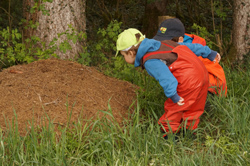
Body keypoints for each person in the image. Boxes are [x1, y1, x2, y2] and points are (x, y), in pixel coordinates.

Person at [115, 28, 219, 139]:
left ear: (130, 53)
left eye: (123, 55)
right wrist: (209, 53)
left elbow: (166, 77)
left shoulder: (149, 60)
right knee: (194, 105)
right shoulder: (163, 44)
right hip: (202, 73)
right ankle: (189, 131)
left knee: (174, 107)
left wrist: (173, 94)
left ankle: (168, 135)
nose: (124, 58)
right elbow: (188, 47)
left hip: (188, 78)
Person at [153, 18, 227, 96]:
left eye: (165, 42)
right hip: (193, 84)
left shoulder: (188, 50)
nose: (162, 45)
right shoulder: (174, 45)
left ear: (180, 40)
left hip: (210, 88)